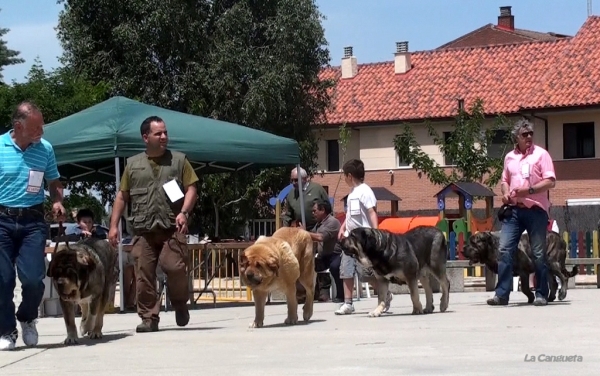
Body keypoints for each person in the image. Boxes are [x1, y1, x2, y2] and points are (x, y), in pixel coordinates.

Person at [108, 115, 199, 333]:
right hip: (143, 229)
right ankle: (149, 318)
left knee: (174, 267)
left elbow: (192, 189)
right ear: (145, 137)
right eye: (158, 133)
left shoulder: (179, 160)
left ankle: (179, 304)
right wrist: (113, 226)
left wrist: (184, 213)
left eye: (165, 132)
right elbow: (122, 196)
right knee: (144, 274)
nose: (164, 136)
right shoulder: (132, 165)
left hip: (171, 228)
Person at [0, 102, 66, 351]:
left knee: (33, 279)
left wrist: (58, 200)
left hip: (33, 221)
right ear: (18, 126)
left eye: (42, 126)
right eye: (36, 127)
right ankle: (6, 331)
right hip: (2, 220)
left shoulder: (45, 149)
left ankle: (27, 318)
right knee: (3, 280)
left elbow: (54, 181)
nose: (42, 132)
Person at [488, 119, 556, 307]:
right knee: (504, 249)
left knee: (538, 253)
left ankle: (541, 293)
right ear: (516, 137)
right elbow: (504, 180)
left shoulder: (541, 155)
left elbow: (550, 181)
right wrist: (504, 193)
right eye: (524, 134)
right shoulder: (509, 157)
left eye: (530, 133)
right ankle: (501, 294)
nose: (528, 137)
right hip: (514, 211)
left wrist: (529, 191)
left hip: (536, 210)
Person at [335, 159, 392, 315]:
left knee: (365, 274)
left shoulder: (365, 191)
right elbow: (350, 216)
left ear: (349, 175)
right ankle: (348, 303)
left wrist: (376, 233)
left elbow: (372, 212)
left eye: (344, 176)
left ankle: (385, 295)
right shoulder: (352, 193)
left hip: (364, 240)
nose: (344, 179)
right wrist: (343, 227)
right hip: (350, 239)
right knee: (345, 270)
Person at [301, 199, 344, 302]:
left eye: (314, 211)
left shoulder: (333, 222)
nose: (313, 213)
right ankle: (311, 294)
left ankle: (341, 295)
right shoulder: (318, 224)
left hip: (335, 255)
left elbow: (320, 237)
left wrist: (304, 233)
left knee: (335, 267)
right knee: (305, 266)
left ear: (323, 210)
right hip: (323, 256)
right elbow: (312, 236)